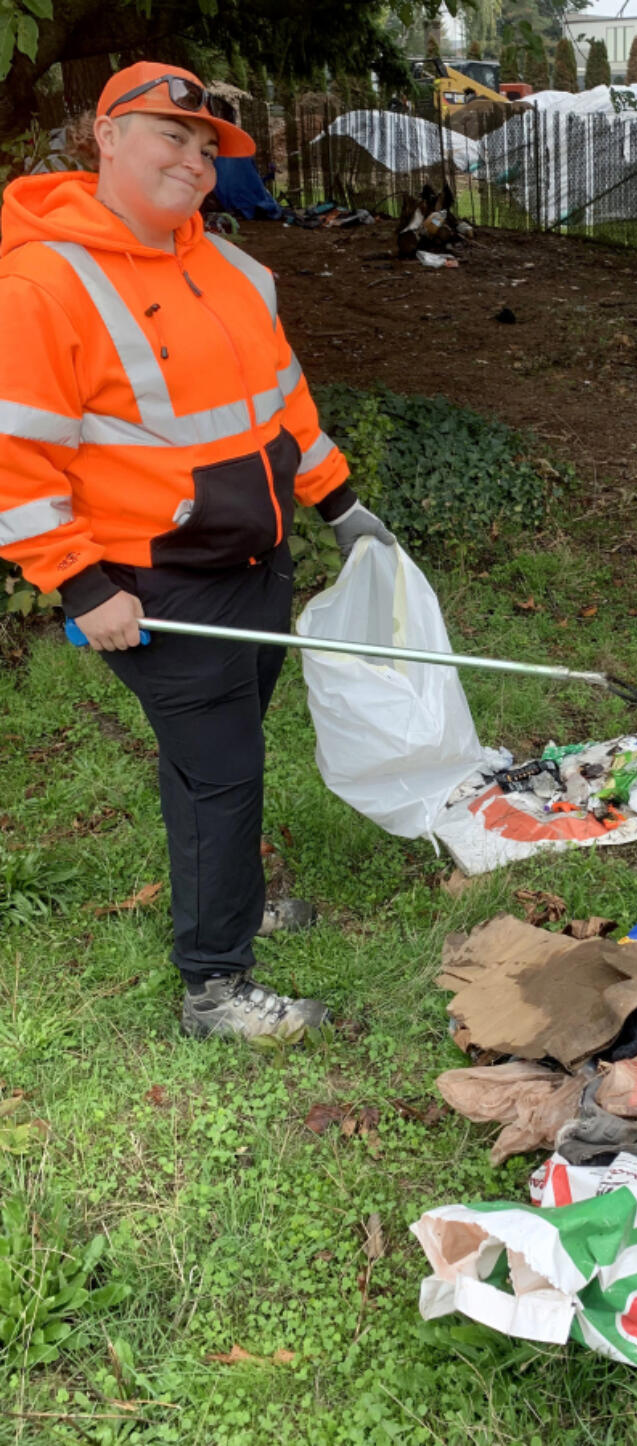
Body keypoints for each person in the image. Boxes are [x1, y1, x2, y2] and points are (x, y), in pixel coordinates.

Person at [0, 62, 397, 1041]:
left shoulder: (226, 266)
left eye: (207, 146)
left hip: (255, 564)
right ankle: (214, 983)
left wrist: (339, 501)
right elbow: (16, 457)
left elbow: (283, 404)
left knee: (216, 759)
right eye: (170, 136)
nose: (192, 158)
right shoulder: (44, 283)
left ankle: (232, 897)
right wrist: (81, 585)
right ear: (105, 136)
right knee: (223, 772)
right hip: (157, 586)